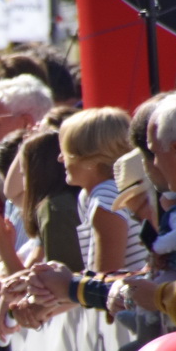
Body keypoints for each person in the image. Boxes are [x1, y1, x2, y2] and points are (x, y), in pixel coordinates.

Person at [59, 107, 148, 274]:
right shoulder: (97, 193)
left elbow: (105, 277)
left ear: (90, 157)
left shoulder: (105, 197)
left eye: (65, 151)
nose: (60, 158)